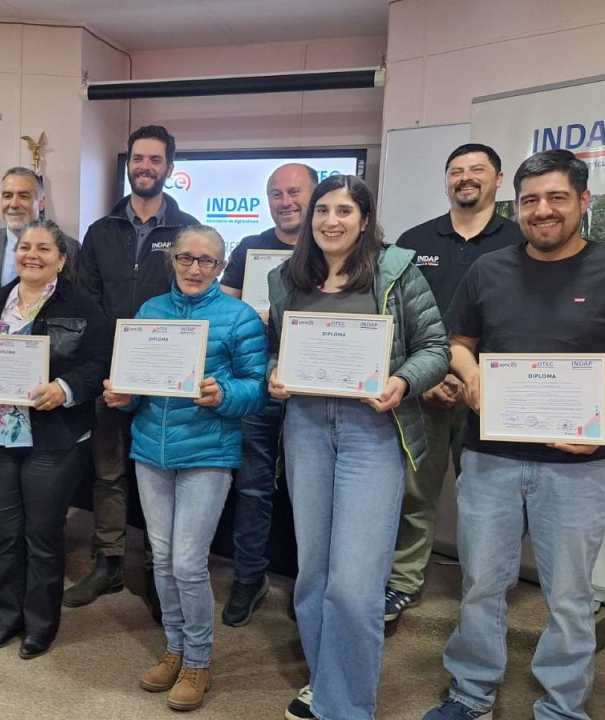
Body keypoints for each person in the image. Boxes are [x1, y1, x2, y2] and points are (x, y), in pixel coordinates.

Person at [423, 150, 605, 720]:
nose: (543, 210)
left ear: (583, 201)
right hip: (489, 458)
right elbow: (458, 343)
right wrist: (471, 375)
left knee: (569, 595)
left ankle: (563, 706)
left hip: (578, 467)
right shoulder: (488, 270)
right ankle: (470, 693)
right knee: (481, 584)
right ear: (518, 206)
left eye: (557, 197)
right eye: (531, 200)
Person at [269, 175, 449, 720]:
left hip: (372, 432)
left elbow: (434, 348)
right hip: (305, 429)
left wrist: (403, 382)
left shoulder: (396, 270)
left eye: (345, 210)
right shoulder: (287, 278)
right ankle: (326, 681)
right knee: (313, 575)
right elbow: (278, 349)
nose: (331, 221)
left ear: (366, 220)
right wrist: (275, 372)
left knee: (354, 584)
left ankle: (346, 707)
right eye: (323, 210)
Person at [105, 225, 266, 711]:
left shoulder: (240, 318)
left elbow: (257, 389)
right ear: (172, 259)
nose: (195, 269)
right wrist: (125, 396)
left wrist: (225, 394)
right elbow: (136, 386)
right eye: (185, 258)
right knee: (161, 557)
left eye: (206, 261)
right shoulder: (149, 311)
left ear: (221, 266)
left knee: (188, 563)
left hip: (207, 454)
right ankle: (174, 648)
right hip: (150, 452)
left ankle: (198, 659)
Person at [0, 219, 110, 659]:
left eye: (43, 248)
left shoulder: (84, 306)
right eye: (25, 247)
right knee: (4, 534)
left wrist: (65, 388)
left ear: (61, 259)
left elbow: (100, 363)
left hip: (53, 439)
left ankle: (40, 623)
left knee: (42, 535)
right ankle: (6, 618)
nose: (32, 255)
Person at [387, 143, 523, 623]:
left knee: (490, 498)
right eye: (456, 170)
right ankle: (402, 582)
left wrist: (473, 376)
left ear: (498, 179)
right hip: (423, 389)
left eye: (477, 169)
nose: (466, 177)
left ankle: (486, 591)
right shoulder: (414, 240)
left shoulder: (520, 239)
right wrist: (423, 376)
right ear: (446, 180)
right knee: (413, 494)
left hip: (493, 393)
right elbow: (396, 318)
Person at [68, 124, 199, 613]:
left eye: (155, 159)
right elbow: (87, 301)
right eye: (138, 158)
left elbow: (192, 299)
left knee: (160, 474)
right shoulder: (101, 231)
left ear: (170, 167)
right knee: (108, 472)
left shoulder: (187, 231)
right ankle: (108, 563)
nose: (145, 167)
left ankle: (155, 569)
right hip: (110, 374)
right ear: (130, 164)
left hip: (166, 375)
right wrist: (104, 365)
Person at [217, 162, 317, 627]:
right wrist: (246, 316)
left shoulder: (331, 248)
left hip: (315, 388)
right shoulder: (250, 247)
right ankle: (249, 576)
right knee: (253, 487)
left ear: (314, 195)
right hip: (258, 383)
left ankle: (310, 585)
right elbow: (225, 305)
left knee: (312, 491)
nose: (285, 201)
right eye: (276, 193)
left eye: (295, 192)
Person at [0, 167, 77, 294]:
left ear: (41, 203)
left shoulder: (70, 249)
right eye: (7, 196)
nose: (14, 204)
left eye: (23, 196)